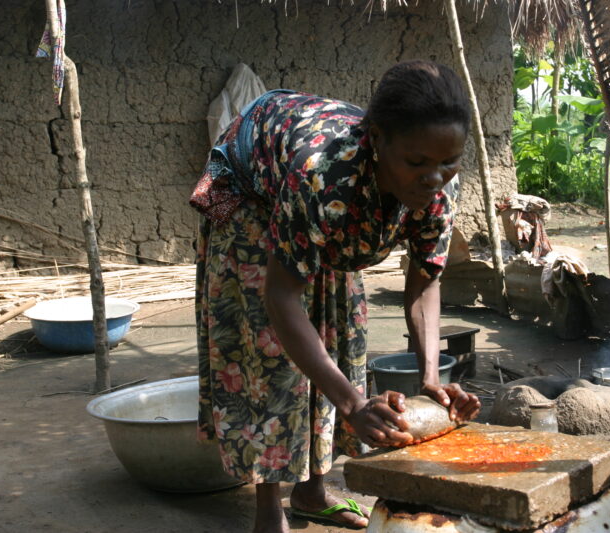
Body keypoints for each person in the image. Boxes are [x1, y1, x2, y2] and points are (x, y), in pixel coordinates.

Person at [189, 59, 481, 533]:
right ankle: (269, 510)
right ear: (379, 139)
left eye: (449, 161)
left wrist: (431, 376)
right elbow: (281, 298)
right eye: (418, 163)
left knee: (341, 335)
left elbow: (425, 279)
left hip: (324, 205)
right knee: (270, 356)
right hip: (251, 191)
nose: (434, 177)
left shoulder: (438, 189)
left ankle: (311, 492)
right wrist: (352, 404)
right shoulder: (322, 177)